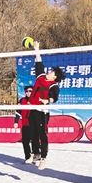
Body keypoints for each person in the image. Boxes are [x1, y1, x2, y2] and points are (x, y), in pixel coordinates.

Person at [28, 42, 65, 170]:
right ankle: (36, 154)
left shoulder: (54, 85)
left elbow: (55, 97)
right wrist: (37, 49)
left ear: (54, 76)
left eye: (51, 71)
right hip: (32, 109)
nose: (49, 71)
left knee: (42, 135)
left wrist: (47, 100)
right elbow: (39, 63)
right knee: (32, 134)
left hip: (42, 111)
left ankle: (43, 158)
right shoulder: (41, 76)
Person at [14, 86, 36, 163]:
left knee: (35, 141)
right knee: (25, 142)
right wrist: (16, 122)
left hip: (34, 124)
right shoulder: (22, 100)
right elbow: (18, 112)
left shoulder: (36, 100)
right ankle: (28, 157)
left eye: (30, 91)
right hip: (25, 124)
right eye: (27, 91)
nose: (28, 92)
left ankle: (35, 157)